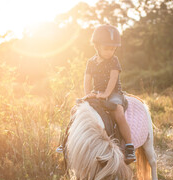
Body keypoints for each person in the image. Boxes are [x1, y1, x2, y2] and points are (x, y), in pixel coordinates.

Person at [57, 24, 136, 163]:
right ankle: (65, 142)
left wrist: (106, 94)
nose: (110, 51)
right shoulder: (91, 62)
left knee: (118, 111)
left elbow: (113, 79)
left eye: (113, 48)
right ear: (97, 46)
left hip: (114, 92)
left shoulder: (114, 60)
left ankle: (129, 146)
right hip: (97, 92)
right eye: (107, 48)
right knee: (76, 110)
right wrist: (88, 94)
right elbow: (87, 80)